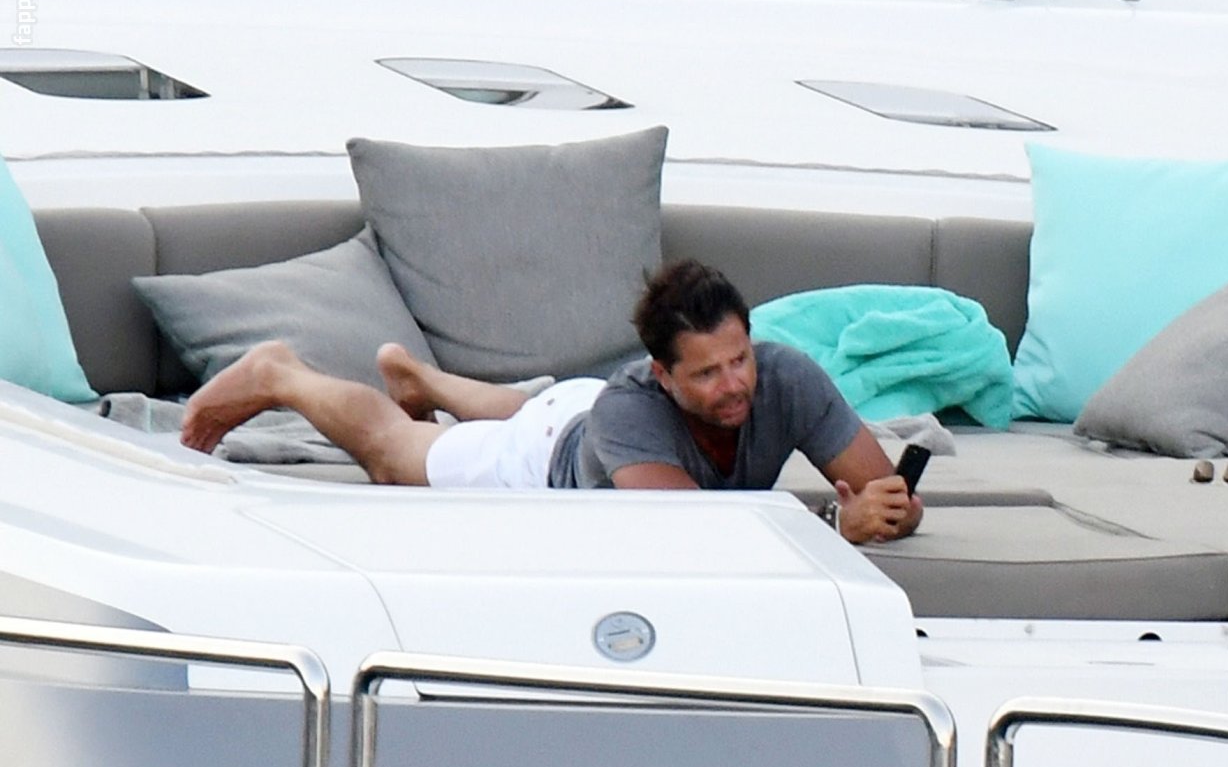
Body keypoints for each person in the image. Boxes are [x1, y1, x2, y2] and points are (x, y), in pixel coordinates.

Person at [179, 261, 922, 544]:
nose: (734, 385)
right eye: (707, 375)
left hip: (579, 414)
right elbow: (701, 539)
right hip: (545, 456)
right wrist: (838, 524)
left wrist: (893, 506)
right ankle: (282, 373)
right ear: (662, 375)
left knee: (531, 405)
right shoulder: (630, 411)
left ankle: (424, 380)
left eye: (739, 361)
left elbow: (887, 493)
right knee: (394, 454)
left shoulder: (785, 376)